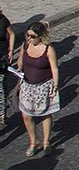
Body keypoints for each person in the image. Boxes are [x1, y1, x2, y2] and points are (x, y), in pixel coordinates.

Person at [17, 22, 60, 156]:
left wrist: (55, 86)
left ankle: (46, 142)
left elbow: (54, 68)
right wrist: (18, 68)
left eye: (32, 36)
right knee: (26, 115)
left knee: (45, 114)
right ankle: (33, 142)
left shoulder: (49, 49)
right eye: (28, 35)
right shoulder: (25, 45)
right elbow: (20, 63)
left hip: (43, 86)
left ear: (41, 36)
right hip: (27, 86)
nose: (29, 38)